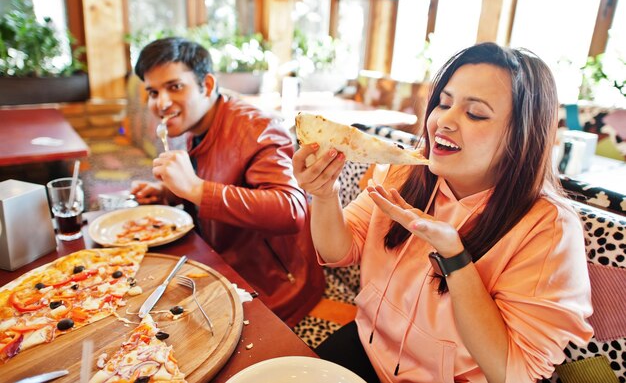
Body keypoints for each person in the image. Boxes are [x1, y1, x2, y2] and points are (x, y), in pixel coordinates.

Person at [293, 42, 593, 382]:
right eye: (444, 103)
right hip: (369, 345)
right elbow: (338, 251)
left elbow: (513, 372)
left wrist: (454, 256)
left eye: (475, 113)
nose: (443, 121)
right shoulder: (404, 172)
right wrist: (324, 193)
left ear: (520, 136)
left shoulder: (549, 229)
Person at [131, 37, 325, 327]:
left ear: (206, 85)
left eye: (174, 87)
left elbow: (291, 209)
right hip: (217, 264)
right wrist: (170, 193)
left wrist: (196, 189)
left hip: (273, 287)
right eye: (152, 92)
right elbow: (213, 178)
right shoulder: (194, 123)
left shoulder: (257, 129)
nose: (161, 103)